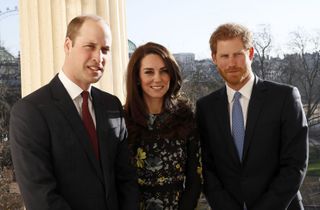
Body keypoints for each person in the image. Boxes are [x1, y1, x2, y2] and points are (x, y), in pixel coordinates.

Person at [9, 15, 139, 210]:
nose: (99, 57)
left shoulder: (112, 105)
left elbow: (126, 180)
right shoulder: (30, 111)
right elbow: (41, 197)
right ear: (68, 45)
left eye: (105, 50)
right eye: (90, 46)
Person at [196, 23, 308, 210]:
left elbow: (295, 165)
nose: (231, 63)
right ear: (214, 58)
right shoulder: (205, 108)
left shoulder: (284, 97)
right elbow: (207, 169)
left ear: (250, 53)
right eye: (224, 56)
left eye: (238, 54)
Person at [124, 42, 201, 210]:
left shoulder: (186, 117)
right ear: (137, 77)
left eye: (164, 71)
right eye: (149, 72)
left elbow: (195, 178)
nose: (157, 78)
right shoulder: (123, 120)